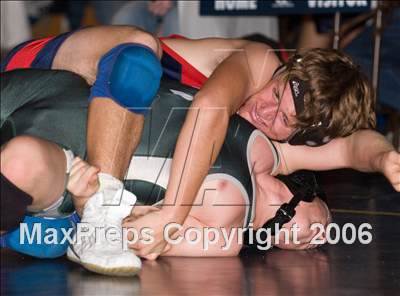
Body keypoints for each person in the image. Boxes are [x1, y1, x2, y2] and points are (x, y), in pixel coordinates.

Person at [1, 25, 399, 273]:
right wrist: (173, 213)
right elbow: (208, 111)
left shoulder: (277, 147)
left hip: (63, 133)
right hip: (60, 69)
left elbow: (351, 148)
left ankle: (72, 219)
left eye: (284, 120)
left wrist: (384, 157)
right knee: (138, 50)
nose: (264, 110)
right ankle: (97, 219)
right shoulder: (259, 61)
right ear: (285, 68)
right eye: (276, 94)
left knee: (45, 184)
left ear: (305, 134)